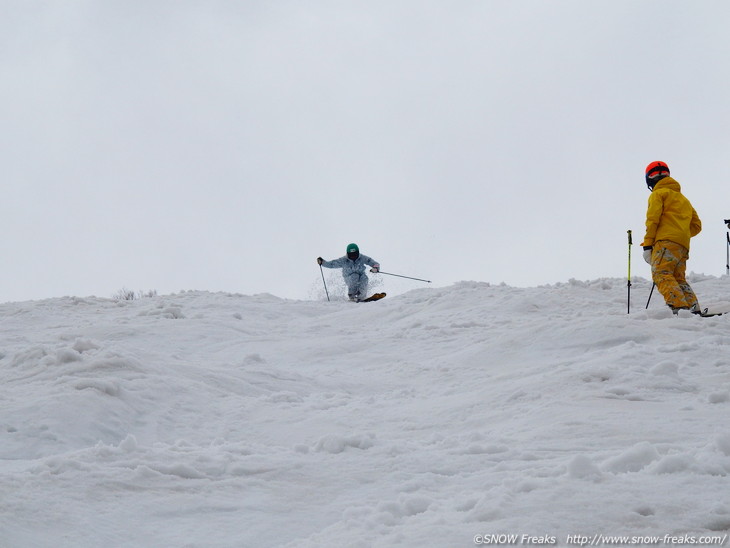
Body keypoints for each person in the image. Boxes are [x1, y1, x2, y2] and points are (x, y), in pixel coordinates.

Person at [641, 161, 702, 315]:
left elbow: (652, 220)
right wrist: (680, 233)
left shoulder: (658, 194)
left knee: (660, 273)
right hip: (682, 246)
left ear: (649, 179)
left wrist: (648, 245)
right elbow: (696, 226)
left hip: (665, 242)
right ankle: (693, 308)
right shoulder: (684, 200)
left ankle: (679, 308)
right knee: (678, 277)